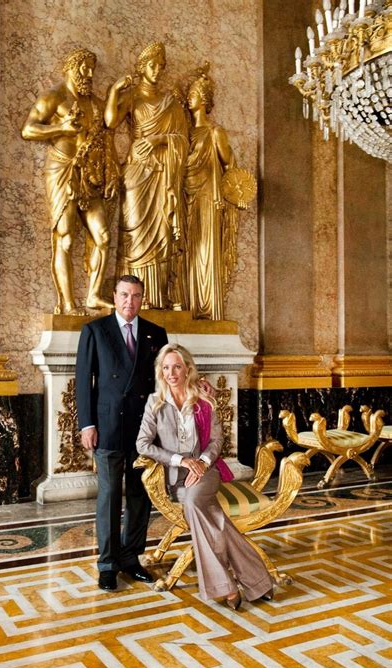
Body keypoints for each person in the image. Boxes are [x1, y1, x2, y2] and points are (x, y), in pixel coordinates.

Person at [136, 344, 273, 608]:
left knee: (193, 502)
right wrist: (181, 461)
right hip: (177, 476)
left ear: (187, 368)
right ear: (160, 371)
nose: (171, 373)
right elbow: (143, 444)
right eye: (166, 368)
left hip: (207, 472)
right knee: (213, 517)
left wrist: (200, 461)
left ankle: (227, 588)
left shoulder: (202, 399)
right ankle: (258, 580)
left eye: (177, 366)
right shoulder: (156, 402)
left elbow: (216, 440)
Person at [76, 275, 168, 591]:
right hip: (109, 428)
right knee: (111, 497)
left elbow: (165, 381)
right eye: (125, 295)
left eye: (137, 296)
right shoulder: (95, 331)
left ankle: (131, 559)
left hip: (144, 430)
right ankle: (107, 564)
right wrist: (87, 424)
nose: (130, 302)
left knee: (141, 497)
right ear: (114, 297)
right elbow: (83, 381)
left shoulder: (157, 334)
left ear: (143, 299)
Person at [22, 48, 118, 314]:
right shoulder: (54, 97)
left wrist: (112, 175)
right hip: (62, 170)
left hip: (91, 176)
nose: (88, 74)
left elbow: (106, 141)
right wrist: (60, 129)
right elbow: (28, 129)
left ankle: (93, 295)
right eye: (84, 68)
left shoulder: (95, 104)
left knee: (103, 236)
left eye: (91, 69)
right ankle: (66, 303)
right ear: (71, 68)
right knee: (65, 238)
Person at [104, 41, 189, 310]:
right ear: (142, 68)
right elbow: (110, 122)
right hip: (137, 171)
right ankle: (129, 298)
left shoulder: (169, 102)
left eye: (160, 66)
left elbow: (183, 140)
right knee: (134, 229)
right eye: (152, 65)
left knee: (161, 230)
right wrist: (113, 91)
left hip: (162, 174)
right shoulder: (133, 97)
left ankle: (157, 297)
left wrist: (158, 140)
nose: (156, 71)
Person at [184, 65, 239, 320]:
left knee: (207, 251)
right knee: (189, 251)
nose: (189, 98)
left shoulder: (214, 132)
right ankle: (189, 305)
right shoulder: (185, 134)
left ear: (204, 99)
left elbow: (229, 164)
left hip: (208, 197)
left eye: (193, 94)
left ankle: (208, 309)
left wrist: (233, 195)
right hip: (187, 196)